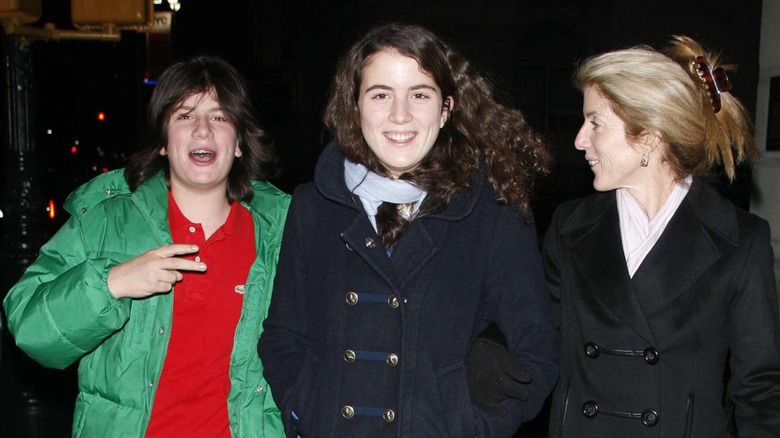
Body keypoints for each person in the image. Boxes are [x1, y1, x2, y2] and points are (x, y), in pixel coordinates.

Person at [257, 22, 558, 438]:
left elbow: (536, 351)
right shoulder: (314, 208)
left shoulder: (492, 213)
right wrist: (303, 408)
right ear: (355, 106)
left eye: (420, 94)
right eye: (381, 95)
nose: (401, 115)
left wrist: (471, 426)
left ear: (446, 109)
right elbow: (284, 336)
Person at [3, 55, 290, 437]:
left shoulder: (283, 232)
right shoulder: (106, 221)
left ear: (239, 142)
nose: (203, 130)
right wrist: (111, 284)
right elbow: (29, 327)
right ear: (162, 143)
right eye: (185, 116)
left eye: (219, 117)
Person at [543, 35, 780, 437]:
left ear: (649, 136)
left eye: (595, 122)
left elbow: (760, 391)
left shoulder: (741, 240)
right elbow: (536, 342)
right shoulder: (568, 228)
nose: (580, 140)